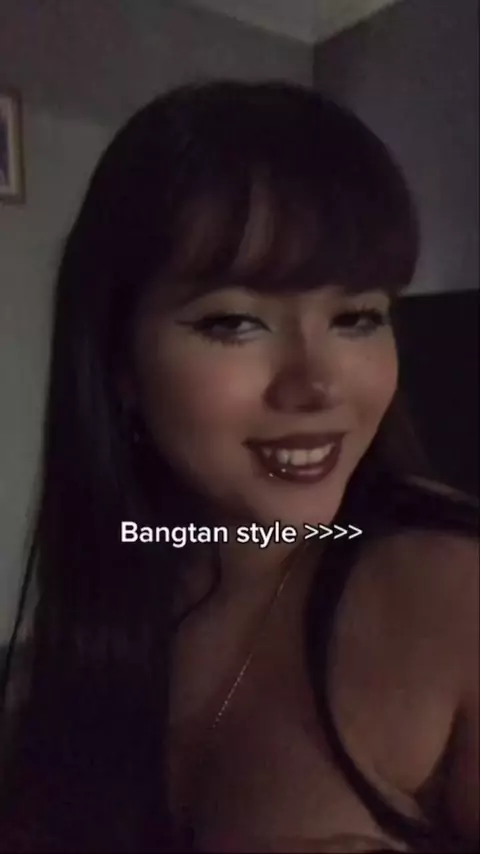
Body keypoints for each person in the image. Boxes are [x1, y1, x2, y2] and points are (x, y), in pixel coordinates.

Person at [0, 81, 478, 854]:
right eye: (235, 322)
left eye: (358, 316)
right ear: (119, 361)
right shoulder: (108, 593)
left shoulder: (455, 595)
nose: (318, 387)